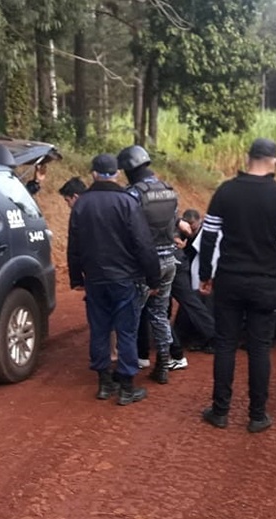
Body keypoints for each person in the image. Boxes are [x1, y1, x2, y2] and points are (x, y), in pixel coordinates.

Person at [198, 138, 276, 433]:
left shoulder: (226, 191)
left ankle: (220, 411)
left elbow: (208, 236)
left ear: (248, 157)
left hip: (229, 279)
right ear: (274, 160)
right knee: (259, 348)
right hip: (266, 283)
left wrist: (205, 274)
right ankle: (257, 416)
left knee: (225, 344)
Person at [67, 154, 160, 405]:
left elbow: (74, 245)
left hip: (95, 278)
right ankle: (127, 388)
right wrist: (153, 279)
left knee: (99, 330)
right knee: (126, 331)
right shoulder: (127, 202)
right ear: (117, 174)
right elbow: (143, 244)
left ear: (93, 174)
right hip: (124, 278)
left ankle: (104, 384)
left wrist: (76, 277)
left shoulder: (81, 205)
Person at [119, 145, 180, 385]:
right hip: (169, 261)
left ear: (129, 169)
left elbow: (128, 231)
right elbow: (174, 222)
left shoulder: (133, 194)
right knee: (159, 314)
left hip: (144, 265)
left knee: (131, 317)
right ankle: (163, 364)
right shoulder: (169, 190)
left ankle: (128, 371)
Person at [171, 209, 216, 353]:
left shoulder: (204, 232)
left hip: (195, 271)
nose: (190, 229)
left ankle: (208, 337)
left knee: (196, 303)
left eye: (193, 226)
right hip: (186, 269)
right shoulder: (180, 230)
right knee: (189, 304)